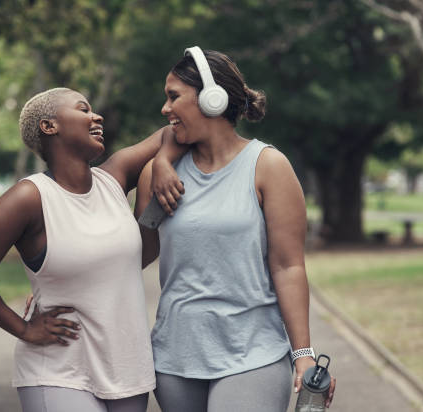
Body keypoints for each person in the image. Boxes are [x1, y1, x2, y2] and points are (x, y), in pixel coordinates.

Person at [135, 47, 337, 411]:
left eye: (173, 97)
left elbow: (288, 266)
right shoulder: (157, 173)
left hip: (253, 353)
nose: (165, 109)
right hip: (174, 358)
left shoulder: (268, 166)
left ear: (212, 99)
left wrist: (303, 354)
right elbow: (137, 256)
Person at [0, 87, 177, 412]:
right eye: (83, 109)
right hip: (58, 371)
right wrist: (24, 328)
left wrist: (165, 162)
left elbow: (174, 130)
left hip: (128, 369)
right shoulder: (29, 198)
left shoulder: (113, 179)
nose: (96, 116)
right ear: (49, 126)